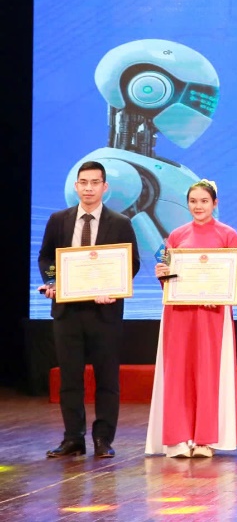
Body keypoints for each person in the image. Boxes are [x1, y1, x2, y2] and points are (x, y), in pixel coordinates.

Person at [37, 161, 141, 459]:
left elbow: (131, 263)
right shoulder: (59, 220)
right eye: (83, 182)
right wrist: (53, 281)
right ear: (76, 186)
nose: (89, 188)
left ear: (105, 187)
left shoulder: (120, 222)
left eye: (95, 183)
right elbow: (46, 258)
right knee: (70, 378)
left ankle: (103, 439)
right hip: (67, 312)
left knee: (107, 379)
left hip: (104, 312)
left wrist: (114, 288)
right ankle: (73, 438)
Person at [144, 180, 237, 457]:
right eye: (193, 201)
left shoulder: (228, 235)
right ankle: (178, 438)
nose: (198, 206)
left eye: (204, 201)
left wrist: (221, 294)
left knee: (207, 372)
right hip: (179, 314)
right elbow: (169, 274)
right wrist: (163, 275)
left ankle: (204, 439)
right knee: (178, 372)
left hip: (212, 314)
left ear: (215, 203)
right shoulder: (176, 236)